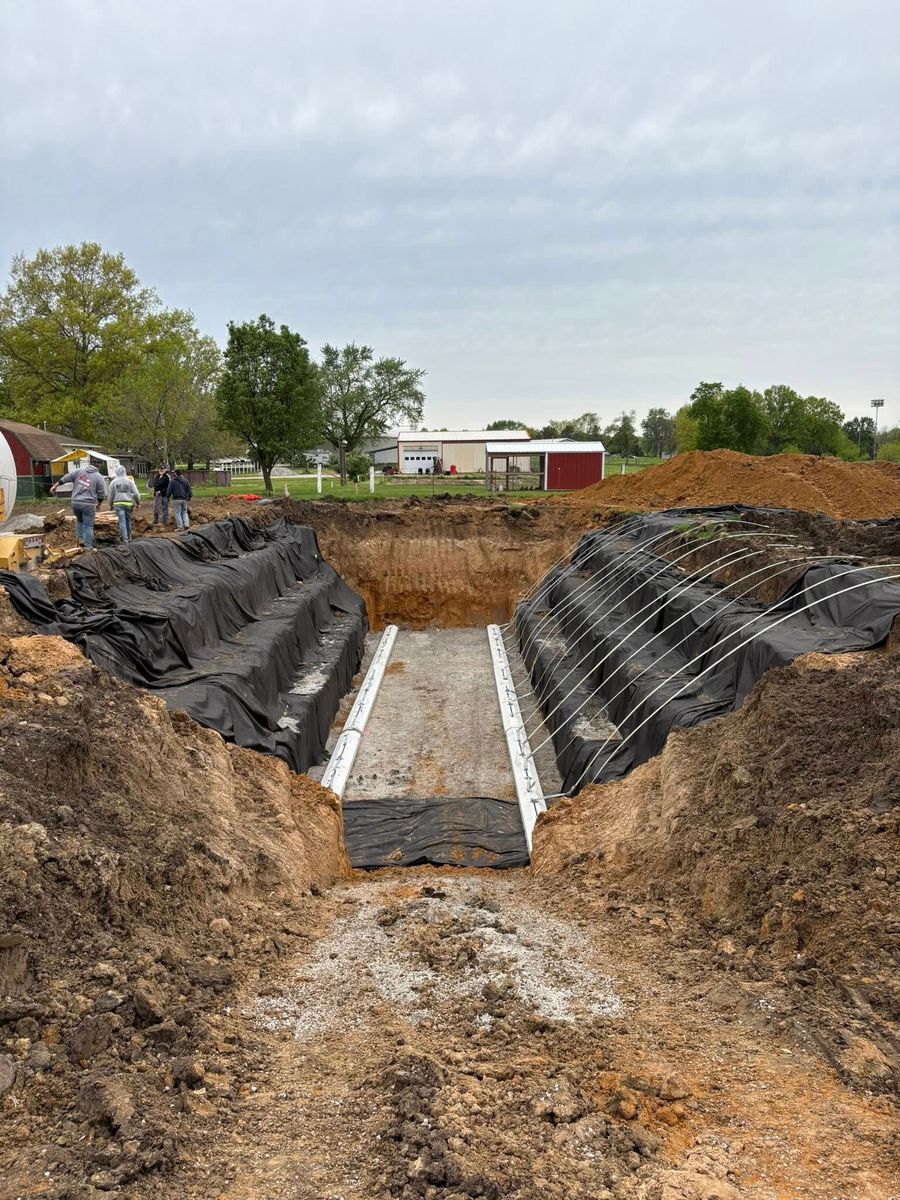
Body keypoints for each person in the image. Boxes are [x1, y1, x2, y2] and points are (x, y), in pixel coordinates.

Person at [50, 462, 107, 550]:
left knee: (80, 521)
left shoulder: (79, 471)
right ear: (98, 466)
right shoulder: (99, 477)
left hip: (75, 502)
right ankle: (88, 547)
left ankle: (80, 540)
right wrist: (99, 504)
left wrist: (55, 485)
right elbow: (101, 493)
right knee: (88, 525)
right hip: (88, 504)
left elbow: (66, 478)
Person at [107, 465, 141, 543]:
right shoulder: (130, 481)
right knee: (128, 521)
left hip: (118, 504)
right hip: (129, 504)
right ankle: (129, 538)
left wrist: (110, 504)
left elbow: (110, 495)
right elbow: (136, 494)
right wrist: (138, 503)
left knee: (122, 521)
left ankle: (124, 539)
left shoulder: (113, 482)